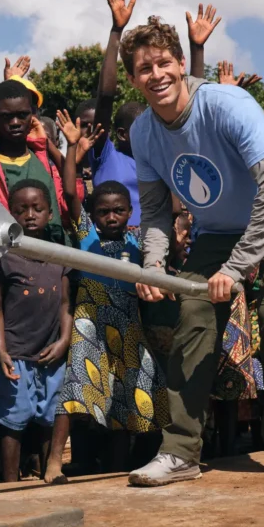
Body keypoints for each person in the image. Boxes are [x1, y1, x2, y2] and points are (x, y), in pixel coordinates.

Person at [123, 15, 264, 486]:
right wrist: (153, 265)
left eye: (164, 63)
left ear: (181, 64)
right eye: (145, 68)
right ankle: (180, 452)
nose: (157, 75)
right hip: (217, 229)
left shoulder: (227, 104)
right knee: (192, 316)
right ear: (133, 79)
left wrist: (236, 268)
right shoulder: (143, 133)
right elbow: (155, 212)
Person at [44, 113, 168, 484]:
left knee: (132, 392)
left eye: (118, 210)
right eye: (103, 211)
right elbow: (70, 193)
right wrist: (71, 148)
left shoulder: (138, 238)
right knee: (75, 388)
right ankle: (53, 463)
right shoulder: (85, 234)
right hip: (90, 323)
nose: (111, 217)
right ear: (93, 214)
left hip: (129, 325)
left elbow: (170, 213)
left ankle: (117, 468)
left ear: (129, 211)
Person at [0, 180, 74, 483]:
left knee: (50, 415)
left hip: (51, 352)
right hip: (16, 353)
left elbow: (65, 303)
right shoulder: (5, 257)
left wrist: (64, 340)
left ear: (50, 213)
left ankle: (49, 472)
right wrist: (2, 351)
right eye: (21, 209)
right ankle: (10, 482)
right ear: (10, 214)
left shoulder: (59, 255)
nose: (30, 215)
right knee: (13, 418)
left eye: (37, 208)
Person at [89, 0, 146, 226]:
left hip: (150, 244)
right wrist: (116, 31)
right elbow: (105, 97)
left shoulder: (156, 160)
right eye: (141, 129)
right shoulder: (106, 155)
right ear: (122, 134)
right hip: (109, 243)